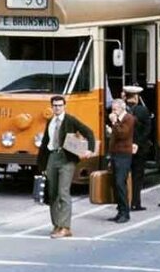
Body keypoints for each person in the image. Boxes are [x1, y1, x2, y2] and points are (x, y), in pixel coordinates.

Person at [36, 96, 96, 238]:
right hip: (52, 157)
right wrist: (41, 164)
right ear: (51, 107)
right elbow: (45, 143)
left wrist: (90, 149)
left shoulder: (70, 120)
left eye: (60, 105)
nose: (57, 108)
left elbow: (88, 132)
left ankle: (65, 227)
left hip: (66, 158)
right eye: (55, 106)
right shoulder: (50, 122)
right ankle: (56, 225)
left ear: (64, 106)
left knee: (63, 192)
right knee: (52, 194)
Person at [106, 98, 136, 223]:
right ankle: (120, 210)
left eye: (115, 109)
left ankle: (125, 212)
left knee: (120, 182)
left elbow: (123, 134)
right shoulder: (119, 121)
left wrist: (114, 123)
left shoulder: (128, 118)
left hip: (123, 154)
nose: (113, 112)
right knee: (115, 183)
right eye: (112, 110)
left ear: (122, 108)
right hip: (115, 154)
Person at [124, 86, 151, 211]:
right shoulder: (143, 110)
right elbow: (147, 130)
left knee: (123, 176)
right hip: (139, 149)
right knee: (137, 176)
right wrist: (137, 143)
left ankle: (124, 202)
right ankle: (136, 202)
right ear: (136, 97)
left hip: (124, 148)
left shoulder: (121, 111)